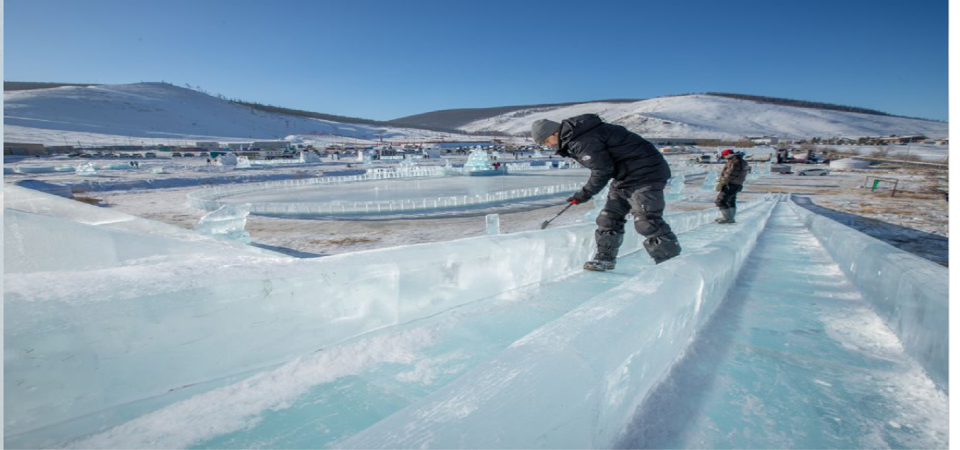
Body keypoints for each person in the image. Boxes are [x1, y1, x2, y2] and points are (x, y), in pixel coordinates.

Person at [531, 114, 681, 269]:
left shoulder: (582, 139)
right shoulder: (577, 136)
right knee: (608, 219)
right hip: (625, 176)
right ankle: (605, 259)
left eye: (546, 141)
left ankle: (670, 265)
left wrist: (584, 194)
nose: (548, 145)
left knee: (646, 222)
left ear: (554, 133)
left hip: (647, 174)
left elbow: (602, 170)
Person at [714, 149, 748, 224]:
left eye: (724, 156)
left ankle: (728, 218)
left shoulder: (734, 161)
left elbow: (730, 174)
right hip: (737, 184)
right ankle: (730, 217)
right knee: (730, 200)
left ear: (728, 154)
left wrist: (722, 183)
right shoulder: (741, 160)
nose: (725, 158)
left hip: (730, 184)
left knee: (720, 201)